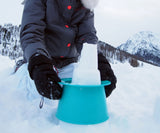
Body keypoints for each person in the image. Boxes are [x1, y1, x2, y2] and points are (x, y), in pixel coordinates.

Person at [20, 0, 117, 100]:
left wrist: (98, 60)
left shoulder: (86, 3)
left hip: (69, 64)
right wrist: (39, 63)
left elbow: (87, 35)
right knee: (34, 100)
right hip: (39, 61)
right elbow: (31, 33)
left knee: (83, 98)